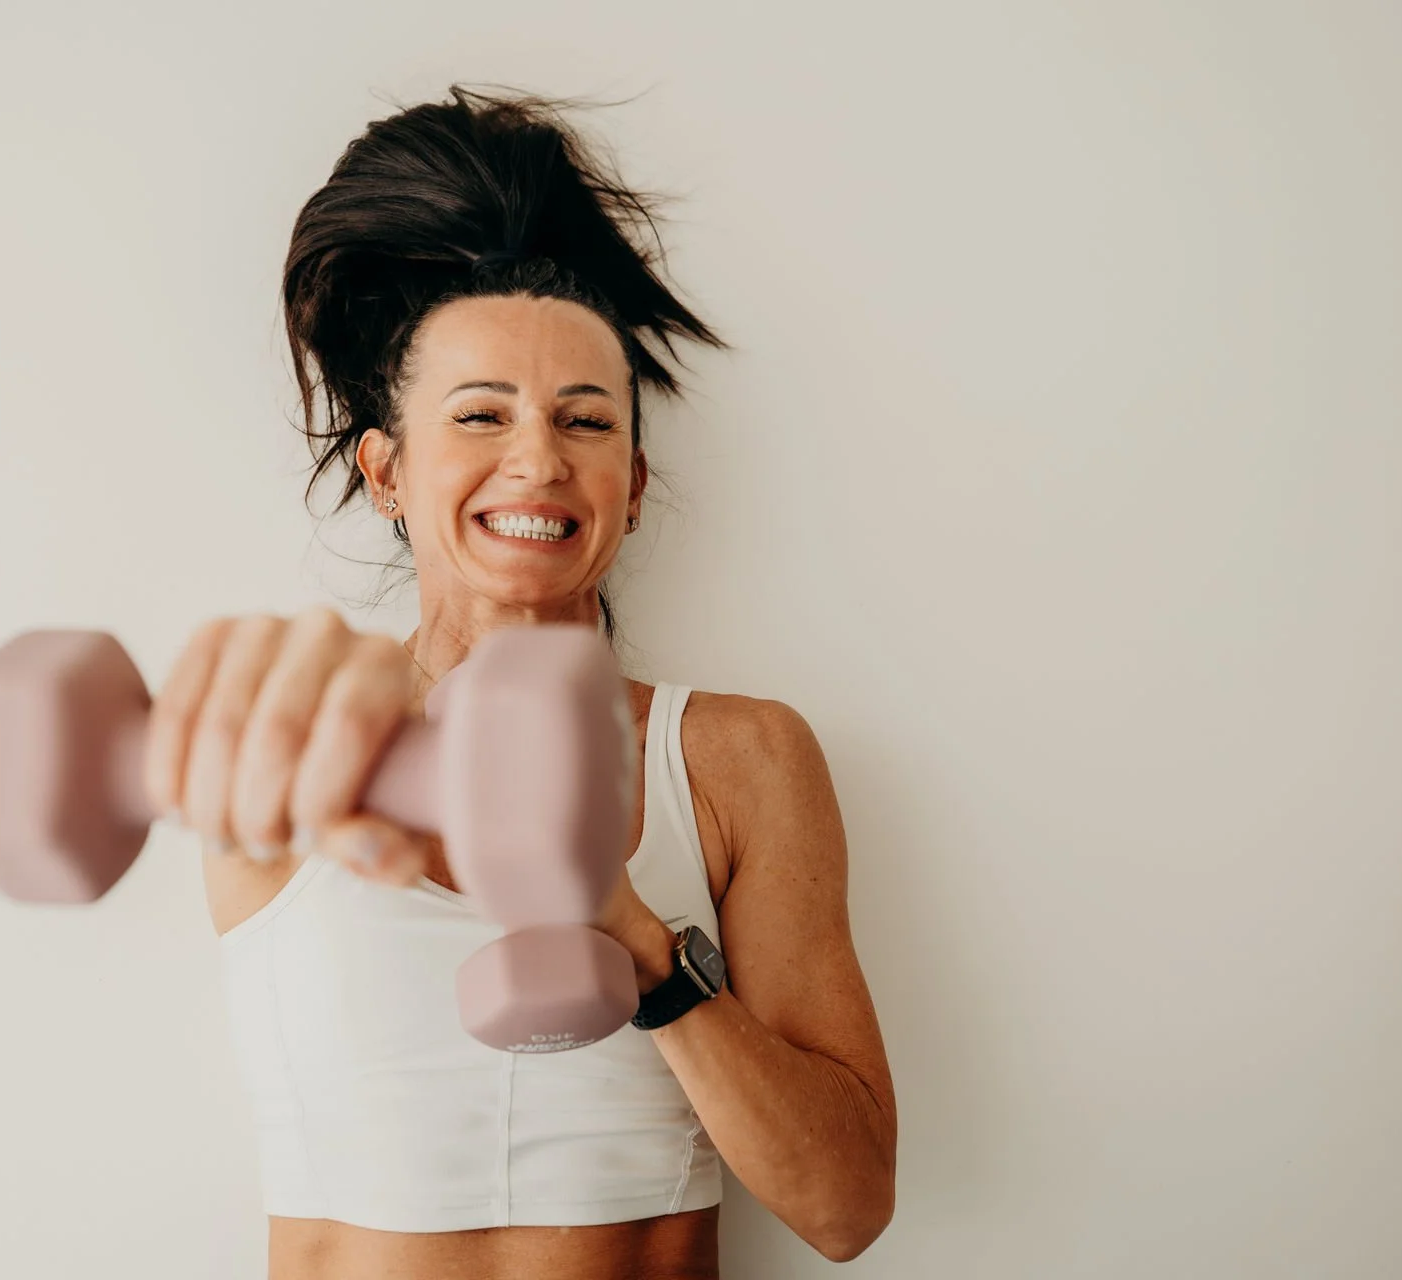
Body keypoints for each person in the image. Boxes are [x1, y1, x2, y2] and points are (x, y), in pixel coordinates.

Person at [143, 85, 896, 1279]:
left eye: (585, 420)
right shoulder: (290, 741)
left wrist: (642, 947)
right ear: (388, 470)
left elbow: (847, 1205)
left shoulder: (740, 759)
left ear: (634, 483)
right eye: (482, 414)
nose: (538, 458)